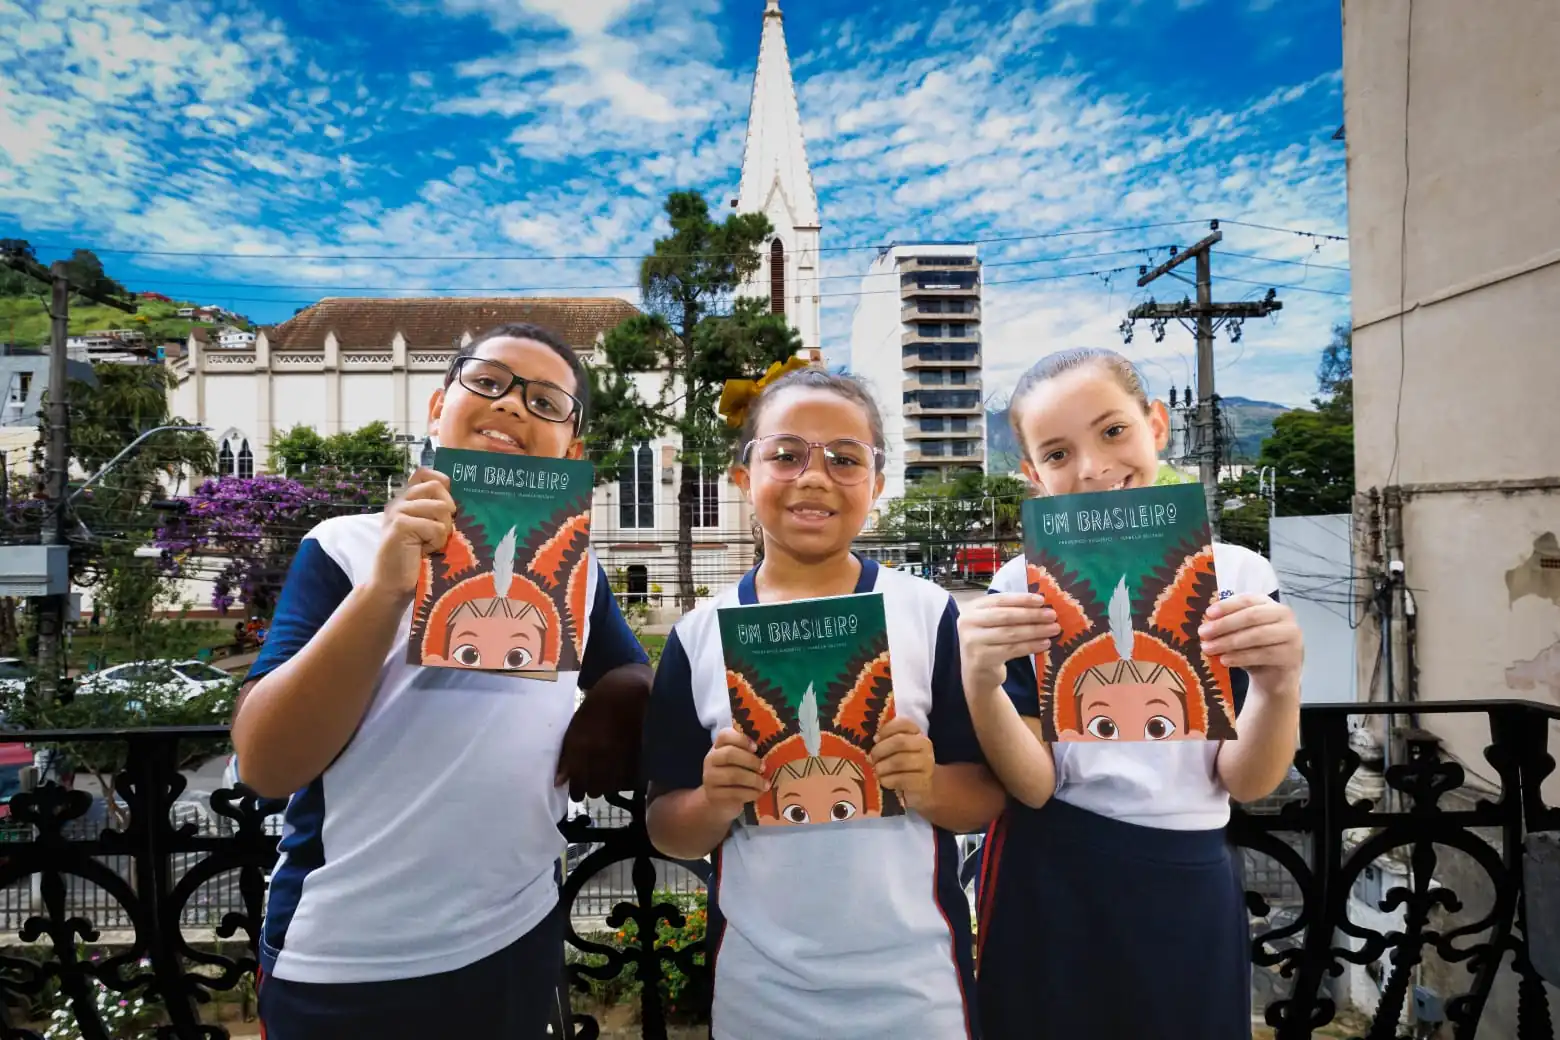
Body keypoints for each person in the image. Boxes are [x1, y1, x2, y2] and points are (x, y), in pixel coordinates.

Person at [232, 322, 652, 1040]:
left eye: (546, 402)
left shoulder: (575, 576)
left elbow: (630, 673)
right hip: (346, 960)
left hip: (515, 935)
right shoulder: (345, 547)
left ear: (572, 450)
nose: (514, 406)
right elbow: (267, 763)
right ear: (438, 407)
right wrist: (386, 588)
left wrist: (618, 700)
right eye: (488, 383)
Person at [641, 368, 1005, 1039]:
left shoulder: (929, 614)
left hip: (918, 987)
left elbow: (984, 796)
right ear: (743, 476)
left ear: (878, 483)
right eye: (785, 455)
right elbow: (666, 824)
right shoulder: (699, 636)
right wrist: (715, 801)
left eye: (844, 458)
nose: (814, 477)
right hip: (759, 990)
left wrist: (923, 783)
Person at [958, 347, 1304, 1040]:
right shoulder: (1021, 588)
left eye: (1113, 431)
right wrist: (981, 682)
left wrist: (1280, 683)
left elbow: (1245, 778)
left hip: (1191, 869)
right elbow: (1034, 785)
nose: (1092, 468)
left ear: (1156, 424)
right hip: (1050, 874)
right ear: (1032, 474)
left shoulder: (1237, 574)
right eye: (1057, 453)